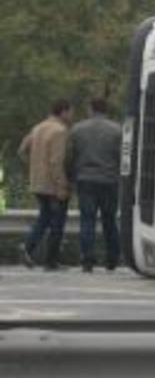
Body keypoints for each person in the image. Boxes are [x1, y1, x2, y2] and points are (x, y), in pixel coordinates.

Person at [65, 98, 122, 273]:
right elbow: (122, 157)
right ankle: (112, 258)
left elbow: (70, 156)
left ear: (90, 109)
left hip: (85, 180)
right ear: (106, 110)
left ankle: (87, 259)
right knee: (109, 221)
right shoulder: (117, 130)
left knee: (87, 220)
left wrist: (70, 176)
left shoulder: (77, 129)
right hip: (109, 180)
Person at [18, 99, 73, 271]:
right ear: (63, 112)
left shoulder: (38, 127)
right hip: (52, 185)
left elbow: (21, 150)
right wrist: (62, 185)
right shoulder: (59, 131)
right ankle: (50, 261)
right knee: (57, 223)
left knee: (45, 217)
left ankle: (28, 247)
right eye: (71, 111)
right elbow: (56, 161)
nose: (72, 115)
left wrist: (34, 167)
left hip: (38, 183)